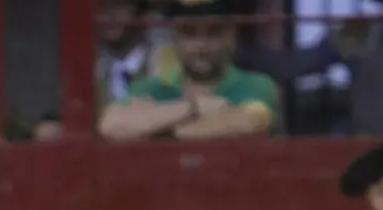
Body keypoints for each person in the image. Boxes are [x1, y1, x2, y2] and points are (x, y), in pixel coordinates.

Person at [97, 0, 278, 141]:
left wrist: (155, 128)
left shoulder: (255, 84)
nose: (201, 46)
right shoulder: (153, 88)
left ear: (231, 37)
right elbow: (111, 125)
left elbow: (247, 123)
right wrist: (195, 108)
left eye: (213, 33)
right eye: (189, 34)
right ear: (174, 38)